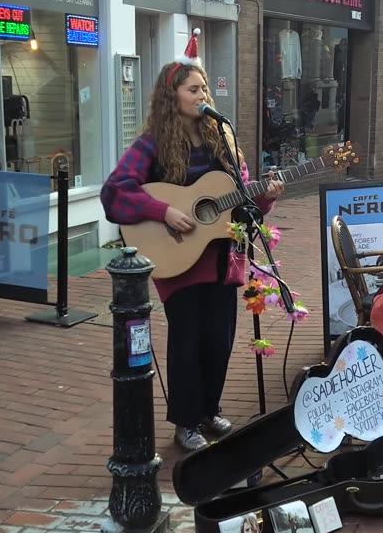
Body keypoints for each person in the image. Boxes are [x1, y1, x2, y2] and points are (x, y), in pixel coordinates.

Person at [100, 30, 285, 452]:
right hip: (179, 258)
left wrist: (266, 197)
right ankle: (185, 421)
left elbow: (239, 203)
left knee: (218, 339)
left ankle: (208, 409)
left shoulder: (222, 137)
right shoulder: (152, 144)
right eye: (194, 88)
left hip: (221, 256)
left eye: (204, 87)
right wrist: (163, 210)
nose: (203, 93)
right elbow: (115, 191)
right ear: (174, 96)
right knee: (187, 339)